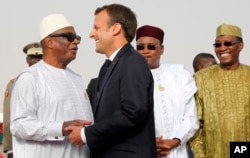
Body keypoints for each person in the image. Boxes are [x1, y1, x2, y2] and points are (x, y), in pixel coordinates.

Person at [66, 4, 157, 158]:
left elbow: (132, 113)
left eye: (96, 28)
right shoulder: (108, 67)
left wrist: (86, 134)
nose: (91, 34)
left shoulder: (132, 62)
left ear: (115, 29)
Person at [10, 13, 94, 158]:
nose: (76, 41)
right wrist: (60, 127)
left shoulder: (76, 78)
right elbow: (19, 125)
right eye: (69, 36)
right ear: (49, 42)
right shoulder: (30, 77)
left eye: (77, 37)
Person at [135, 25, 199, 158]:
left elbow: (190, 117)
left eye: (151, 47)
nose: (145, 51)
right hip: (140, 151)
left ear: (161, 49)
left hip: (175, 151)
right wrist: (148, 144)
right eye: (140, 47)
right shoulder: (127, 77)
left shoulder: (179, 76)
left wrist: (174, 141)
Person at [190, 23, 250, 158]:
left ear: (240, 46)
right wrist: (200, 155)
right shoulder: (201, 78)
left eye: (228, 43)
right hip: (212, 153)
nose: (222, 48)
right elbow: (195, 123)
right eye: (217, 45)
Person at [3, 42, 43, 158]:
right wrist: (10, 149)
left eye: (40, 57)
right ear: (27, 60)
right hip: (24, 147)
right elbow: (8, 117)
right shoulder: (15, 84)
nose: (36, 60)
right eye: (33, 57)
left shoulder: (55, 82)